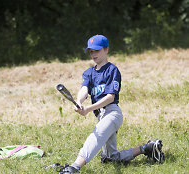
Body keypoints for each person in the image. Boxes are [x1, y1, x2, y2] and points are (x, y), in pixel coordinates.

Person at [57, 35, 164, 173]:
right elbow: (84, 89)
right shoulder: (89, 73)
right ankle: (147, 148)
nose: (93, 54)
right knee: (111, 157)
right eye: (90, 51)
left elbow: (110, 98)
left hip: (112, 113)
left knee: (97, 135)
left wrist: (88, 108)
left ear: (106, 49)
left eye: (97, 50)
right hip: (100, 116)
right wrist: (79, 101)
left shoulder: (112, 70)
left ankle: (74, 167)